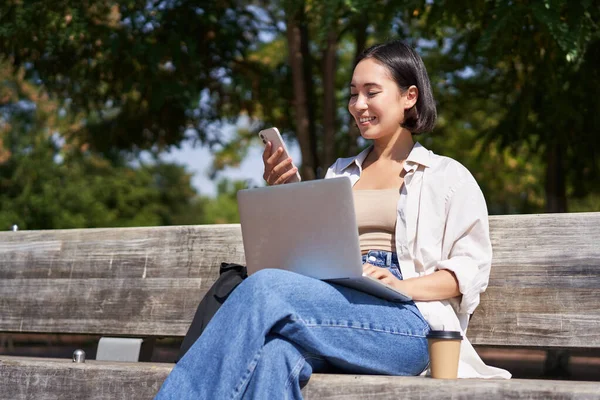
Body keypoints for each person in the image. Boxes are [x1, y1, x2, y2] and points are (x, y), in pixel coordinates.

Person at [155, 39, 510, 400]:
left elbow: (466, 273)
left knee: (264, 288)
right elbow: (309, 258)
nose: (358, 105)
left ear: (410, 96)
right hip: (334, 305)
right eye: (353, 94)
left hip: (407, 323)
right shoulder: (340, 173)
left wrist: (400, 286)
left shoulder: (446, 176)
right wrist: (288, 196)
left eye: (372, 92)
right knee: (275, 355)